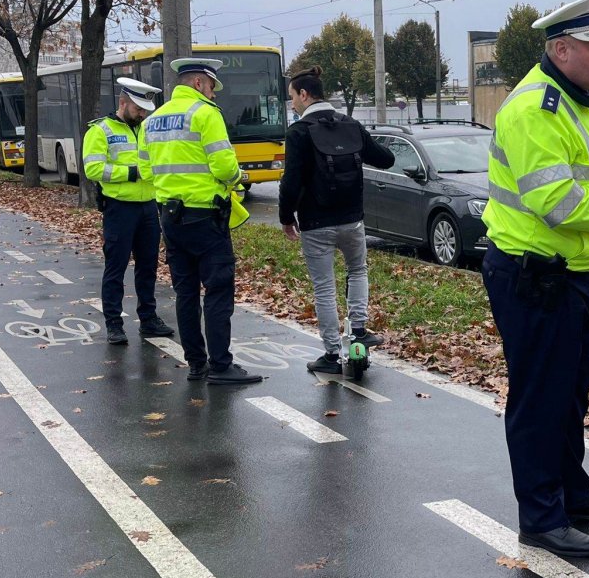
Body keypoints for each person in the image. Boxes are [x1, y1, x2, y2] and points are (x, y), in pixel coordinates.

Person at [482, 0, 589, 559]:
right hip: (534, 277)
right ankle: (542, 517)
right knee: (539, 402)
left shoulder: (579, 103)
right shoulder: (536, 109)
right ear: (560, 49)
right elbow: (560, 201)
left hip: (571, 275)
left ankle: (572, 494)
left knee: (571, 396)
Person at [139, 57, 261, 386]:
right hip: (206, 218)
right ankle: (221, 365)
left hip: (170, 218)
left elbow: (147, 172)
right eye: (211, 86)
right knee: (218, 291)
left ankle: (196, 364)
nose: (214, 94)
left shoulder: (152, 120)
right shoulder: (205, 114)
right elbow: (223, 167)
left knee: (186, 293)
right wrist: (239, 176)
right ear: (197, 83)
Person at [278, 66, 395, 374]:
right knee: (358, 270)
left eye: (292, 97)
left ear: (304, 94)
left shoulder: (299, 132)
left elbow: (290, 182)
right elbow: (385, 159)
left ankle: (332, 355)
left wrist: (286, 217)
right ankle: (358, 330)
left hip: (316, 223)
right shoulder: (351, 124)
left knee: (324, 287)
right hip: (353, 219)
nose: (292, 104)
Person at [82, 77, 175, 346]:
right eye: (138, 109)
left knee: (148, 267)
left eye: (145, 110)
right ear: (123, 103)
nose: (142, 114)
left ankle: (148, 319)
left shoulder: (146, 128)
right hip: (119, 209)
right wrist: (132, 173)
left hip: (148, 207)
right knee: (116, 267)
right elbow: (94, 170)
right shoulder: (100, 131)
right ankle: (114, 324)